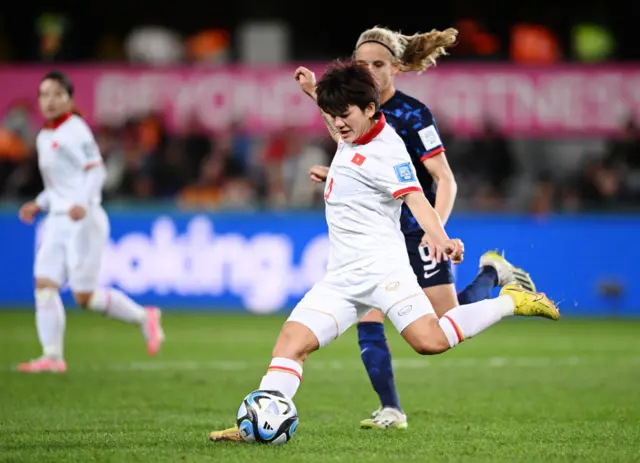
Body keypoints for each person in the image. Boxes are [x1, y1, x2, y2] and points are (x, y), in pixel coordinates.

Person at [209, 60, 559, 442]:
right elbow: (345, 140)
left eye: (345, 115)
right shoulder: (354, 133)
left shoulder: (388, 151)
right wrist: (314, 94)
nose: (338, 123)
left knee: (431, 342)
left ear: (371, 110)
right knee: (291, 344)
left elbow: (415, 199)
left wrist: (440, 238)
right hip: (341, 278)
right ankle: (258, 426)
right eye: (333, 114)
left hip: (384, 273)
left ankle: (513, 301)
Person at [294, 26, 536, 429]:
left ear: (397, 68)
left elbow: (445, 178)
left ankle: (492, 272)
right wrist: (335, 170)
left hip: (416, 229)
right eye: (362, 64)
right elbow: (350, 147)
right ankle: (391, 409)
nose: (369, 71)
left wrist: (435, 230)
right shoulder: (350, 106)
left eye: (378, 64)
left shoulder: (412, 115)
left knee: (442, 326)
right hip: (375, 242)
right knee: (368, 319)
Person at [16, 70, 165, 373]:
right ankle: (53, 356)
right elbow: (59, 185)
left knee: (84, 297)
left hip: (84, 220)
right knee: (44, 284)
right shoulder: (45, 136)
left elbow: (96, 171)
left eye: (58, 94)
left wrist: (82, 203)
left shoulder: (76, 129)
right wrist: (39, 203)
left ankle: (144, 317)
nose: (50, 100)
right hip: (57, 220)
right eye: (44, 94)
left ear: (69, 99)